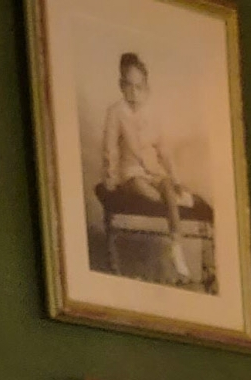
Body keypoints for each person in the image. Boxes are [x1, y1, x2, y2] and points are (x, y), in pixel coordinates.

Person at [93, 53, 208, 287]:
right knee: (140, 186)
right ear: (120, 86)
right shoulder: (116, 112)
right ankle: (176, 201)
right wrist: (110, 177)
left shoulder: (152, 113)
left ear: (146, 87)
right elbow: (110, 148)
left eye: (139, 87)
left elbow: (164, 149)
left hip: (152, 172)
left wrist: (174, 178)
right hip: (130, 173)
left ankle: (176, 246)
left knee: (165, 185)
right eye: (128, 86)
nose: (134, 93)